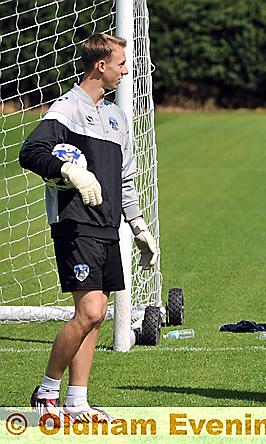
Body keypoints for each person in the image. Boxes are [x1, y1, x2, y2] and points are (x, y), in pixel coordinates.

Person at [19, 33, 158, 421]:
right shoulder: (66, 109)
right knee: (92, 310)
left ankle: (77, 401)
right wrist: (70, 172)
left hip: (107, 227)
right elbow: (30, 153)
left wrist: (139, 225)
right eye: (120, 63)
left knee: (97, 316)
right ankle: (46, 391)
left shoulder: (117, 117)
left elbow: (126, 179)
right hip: (75, 224)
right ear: (101, 65)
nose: (125, 70)